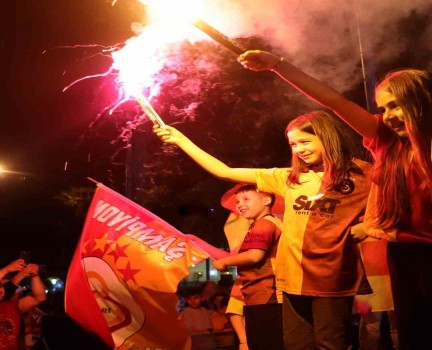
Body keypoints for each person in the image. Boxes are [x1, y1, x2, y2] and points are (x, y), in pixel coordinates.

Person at [238, 50, 431, 350]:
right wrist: (278, 65)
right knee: (415, 336)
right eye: (383, 108)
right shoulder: (386, 141)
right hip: (404, 255)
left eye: (397, 105)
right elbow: (335, 102)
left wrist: (373, 227)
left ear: (422, 101)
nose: (389, 115)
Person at [154, 110, 372, 350]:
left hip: (332, 279)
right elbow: (224, 172)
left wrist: (367, 227)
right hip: (292, 280)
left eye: (305, 141)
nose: (299, 149)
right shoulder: (289, 178)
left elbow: (394, 210)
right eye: (293, 144)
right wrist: (180, 140)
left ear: (327, 137)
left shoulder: (363, 175)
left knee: (330, 344)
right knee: (296, 345)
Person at [213, 184, 284, 350]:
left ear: (266, 200)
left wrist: (224, 263)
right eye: (238, 201)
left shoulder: (263, 224)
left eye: (246, 199)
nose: (240, 205)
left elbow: (254, 255)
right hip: (265, 295)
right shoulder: (271, 222)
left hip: (267, 295)